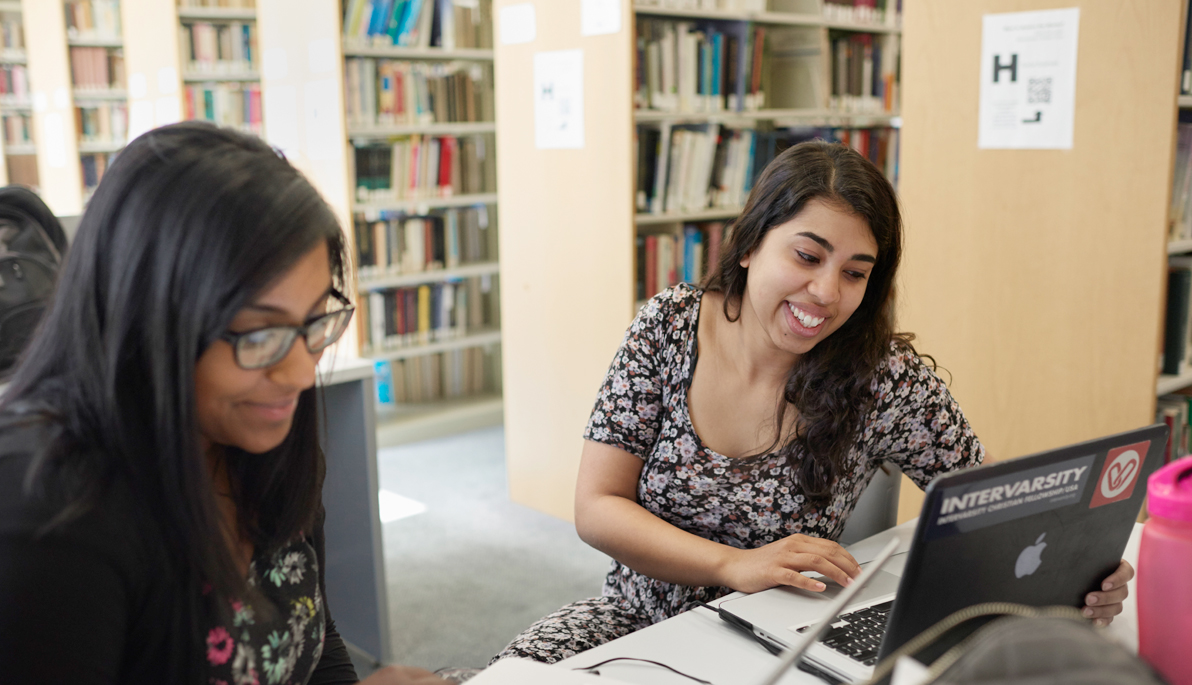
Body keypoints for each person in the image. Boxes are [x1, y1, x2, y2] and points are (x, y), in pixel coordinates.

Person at [493, 140, 1134, 664]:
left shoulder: (883, 377)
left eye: (855, 272)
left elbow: (999, 511)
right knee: (509, 678)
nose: (826, 292)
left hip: (776, 639)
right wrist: (732, 564)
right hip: (632, 620)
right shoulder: (669, 325)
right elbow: (597, 506)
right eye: (807, 255)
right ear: (749, 246)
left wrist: (1072, 583)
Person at [0, 123, 446, 685]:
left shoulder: (259, 443)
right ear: (147, 322)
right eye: (259, 336)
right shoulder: (48, 512)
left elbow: (311, 638)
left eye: (315, 321)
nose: (303, 373)